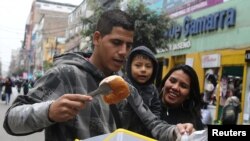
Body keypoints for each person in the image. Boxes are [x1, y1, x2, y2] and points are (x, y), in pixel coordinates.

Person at [3, 9, 193, 141]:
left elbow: (153, 124)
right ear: (97, 38)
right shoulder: (65, 74)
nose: (123, 52)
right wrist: (50, 111)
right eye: (116, 42)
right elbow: (11, 121)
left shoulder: (126, 87)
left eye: (128, 45)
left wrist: (176, 132)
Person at [123, 45, 161, 137]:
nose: (143, 70)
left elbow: (156, 109)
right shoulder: (122, 84)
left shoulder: (152, 89)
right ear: (129, 67)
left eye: (148, 66)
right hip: (123, 133)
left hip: (144, 135)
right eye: (138, 65)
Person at [159, 64, 205, 130]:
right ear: (165, 82)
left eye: (183, 86)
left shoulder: (193, 122)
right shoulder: (146, 105)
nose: (175, 87)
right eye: (172, 81)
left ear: (189, 95)